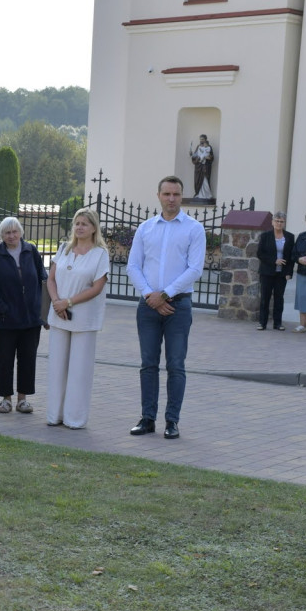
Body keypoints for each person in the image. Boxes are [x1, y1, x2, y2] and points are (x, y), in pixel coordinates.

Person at [126, 176, 206, 439]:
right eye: (167, 194)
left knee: (175, 365)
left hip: (178, 307)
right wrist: (151, 296)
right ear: (158, 195)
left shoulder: (194, 229)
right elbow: (133, 266)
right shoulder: (145, 229)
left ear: (182, 196)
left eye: (176, 194)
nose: (171, 199)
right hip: (148, 306)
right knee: (148, 364)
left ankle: (172, 421)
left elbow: (195, 268)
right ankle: (147, 418)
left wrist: (166, 294)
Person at [46, 208, 109, 429]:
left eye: (84, 223)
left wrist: (69, 302)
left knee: (79, 370)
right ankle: (55, 415)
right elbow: (51, 279)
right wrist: (56, 302)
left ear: (93, 228)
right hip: (59, 314)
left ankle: (75, 418)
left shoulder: (100, 254)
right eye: (77, 223)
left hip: (83, 317)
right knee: (56, 367)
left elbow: (97, 287)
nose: (80, 227)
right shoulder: (64, 249)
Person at [0, 216, 47, 415]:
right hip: (5, 321)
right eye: (7, 233)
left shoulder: (31, 251)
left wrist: (42, 313)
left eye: (14, 231)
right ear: (1, 235)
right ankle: (6, 399)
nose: (11, 236)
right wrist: (2, 308)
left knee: (27, 360)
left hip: (30, 320)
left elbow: (43, 280)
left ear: (20, 233)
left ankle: (23, 399)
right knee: (4, 361)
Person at [255, 211, 295, 331]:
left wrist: (289, 272)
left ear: (284, 223)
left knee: (279, 298)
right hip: (267, 272)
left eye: (281, 221)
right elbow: (260, 253)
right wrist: (274, 260)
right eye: (277, 221)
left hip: (281, 274)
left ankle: (277, 323)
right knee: (265, 298)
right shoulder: (265, 236)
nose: (279, 223)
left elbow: (291, 256)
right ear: (272, 222)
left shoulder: (290, 237)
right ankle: (262, 323)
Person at [190, 134, 215, 201]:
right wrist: (192, 154)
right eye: (200, 139)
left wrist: (208, 157)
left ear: (205, 140)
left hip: (205, 167)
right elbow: (194, 156)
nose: (201, 140)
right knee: (197, 180)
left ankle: (207, 195)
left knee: (205, 180)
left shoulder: (209, 147)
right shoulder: (198, 147)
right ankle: (198, 194)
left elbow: (211, 157)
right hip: (198, 166)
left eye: (202, 139)